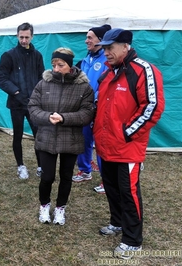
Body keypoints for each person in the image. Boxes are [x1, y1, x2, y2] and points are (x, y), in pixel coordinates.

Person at [93, 28, 164, 259]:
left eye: (110, 48)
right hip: (106, 145)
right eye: (103, 48)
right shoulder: (107, 73)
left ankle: (133, 240)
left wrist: (126, 133)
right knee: (111, 188)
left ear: (126, 46)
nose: (106, 52)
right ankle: (117, 222)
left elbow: (152, 107)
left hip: (127, 147)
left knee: (129, 192)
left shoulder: (144, 70)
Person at [28, 47, 94, 225]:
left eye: (60, 65)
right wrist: (47, 117)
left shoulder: (84, 87)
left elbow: (87, 113)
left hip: (70, 138)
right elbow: (33, 108)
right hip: (46, 137)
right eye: (53, 65)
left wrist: (64, 118)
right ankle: (44, 206)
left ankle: (60, 209)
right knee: (47, 177)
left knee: (66, 176)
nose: (56, 69)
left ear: (70, 65)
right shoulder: (43, 83)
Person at [0, 22, 44, 179]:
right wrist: (15, 91)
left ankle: (41, 165)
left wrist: (37, 94)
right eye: (21, 37)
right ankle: (21, 166)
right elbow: (1, 78)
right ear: (17, 36)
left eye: (27, 37)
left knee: (39, 134)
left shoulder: (37, 56)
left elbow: (41, 77)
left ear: (32, 37)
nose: (24, 40)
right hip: (16, 103)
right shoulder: (9, 55)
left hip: (34, 104)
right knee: (17, 135)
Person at [72, 24, 112, 195]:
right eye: (87, 37)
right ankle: (85, 170)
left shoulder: (107, 59)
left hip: (100, 108)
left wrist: (93, 100)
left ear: (100, 40)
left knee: (102, 144)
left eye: (90, 37)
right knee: (83, 139)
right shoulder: (86, 59)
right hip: (85, 108)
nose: (86, 40)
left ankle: (107, 180)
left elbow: (106, 85)